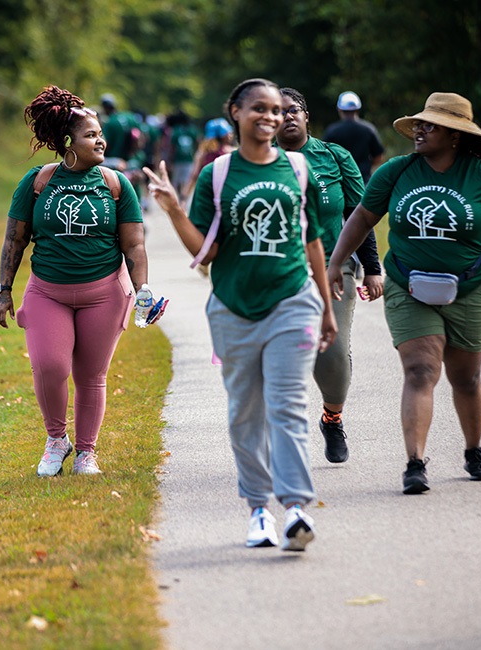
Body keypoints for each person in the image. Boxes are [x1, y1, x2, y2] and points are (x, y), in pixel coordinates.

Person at [144, 78, 337, 552]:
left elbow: (310, 239)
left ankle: (294, 509)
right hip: (233, 308)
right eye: (259, 109)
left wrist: (327, 305)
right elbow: (205, 253)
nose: (270, 117)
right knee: (245, 415)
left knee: (288, 407)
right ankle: (258, 511)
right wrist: (172, 209)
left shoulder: (297, 167)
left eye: (276, 110)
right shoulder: (218, 174)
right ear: (235, 112)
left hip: (293, 301)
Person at [325, 92, 481, 495]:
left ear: (456, 135)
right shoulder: (396, 171)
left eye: (431, 125)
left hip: (471, 288)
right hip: (408, 285)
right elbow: (362, 216)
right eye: (419, 124)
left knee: (466, 377)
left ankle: (474, 450)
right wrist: (336, 261)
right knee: (420, 370)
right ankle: (414, 463)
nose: (420, 130)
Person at [0, 85, 150, 477]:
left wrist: (143, 290)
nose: (102, 140)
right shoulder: (38, 181)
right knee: (49, 366)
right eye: (92, 135)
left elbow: (134, 245)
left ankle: (86, 453)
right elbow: (15, 238)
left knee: (91, 376)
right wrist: (3, 291)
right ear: (68, 143)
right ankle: (56, 440)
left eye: (99, 133)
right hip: (48, 292)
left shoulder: (116, 183)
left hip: (105, 294)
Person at [275, 87, 384, 464]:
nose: (287, 117)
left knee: (332, 355)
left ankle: (332, 418)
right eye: (279, 111)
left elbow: (360, 213)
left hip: (335, 270)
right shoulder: (255, 161)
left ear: (306, 116)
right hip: (274, 273)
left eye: (294, 110)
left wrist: (372, 267)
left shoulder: (334, 157)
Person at [323, 91, 385, 184]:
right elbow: (379, 156)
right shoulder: (368, 129)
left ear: (339, 109)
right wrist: (366, 165)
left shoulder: (332, 131)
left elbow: (323, 157)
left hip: (340, 181)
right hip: (363, 180)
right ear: (358, 109)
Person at [183, 117, 237, 203]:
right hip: (226, 194)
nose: (230, 134)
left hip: (206, 193)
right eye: (228, 132)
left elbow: (194, 175)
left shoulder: (203, 152)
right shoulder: (231, 152)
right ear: (223, 135)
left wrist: (184, 196)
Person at [165, 109, 200, 203]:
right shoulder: (192, 130)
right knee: (186, 180)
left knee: (177, 181)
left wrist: (169, 159)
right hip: (188, 159)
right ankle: (184, 198)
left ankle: (181, 197)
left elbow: (172, 146)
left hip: (178, 159)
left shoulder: (176, 130)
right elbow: (197, 143)